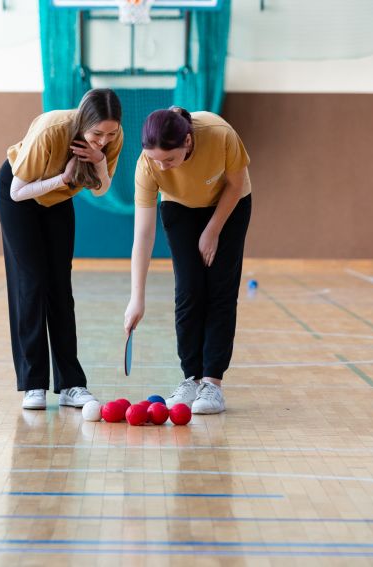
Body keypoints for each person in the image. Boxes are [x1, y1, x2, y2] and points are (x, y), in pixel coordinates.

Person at [0, 88, 123, 410]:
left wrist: (99, 163)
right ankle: (33, 384)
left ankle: (71, 384)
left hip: (58, 200)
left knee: (60, 288)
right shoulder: (52, 130)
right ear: (83, 122)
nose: (103, 141)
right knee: (32, 283)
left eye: (109, 134)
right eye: (96, 134)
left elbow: (101, 191)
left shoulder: (111, 138)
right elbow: (17, 192)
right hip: (22, 196)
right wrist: (62, 178)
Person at [124, 107, 252, 414]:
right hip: (180, 207)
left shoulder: (220, 135)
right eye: (156, 160)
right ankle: (191, 378)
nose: (162, 167)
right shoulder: (148, 166)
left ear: (188, 142)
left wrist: (212, 229)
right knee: (188, 290)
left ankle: (212, 384)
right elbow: (143, 235)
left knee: (220, 291)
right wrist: (136, 298)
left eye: (169, 159)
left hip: (229, 204)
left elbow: (236, 185)